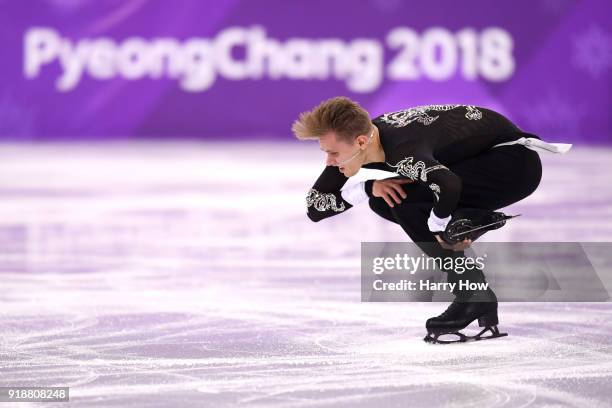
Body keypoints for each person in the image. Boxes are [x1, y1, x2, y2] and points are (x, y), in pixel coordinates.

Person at [292, 96, 571, 343]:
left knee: (407, 201)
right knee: (385, 199)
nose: (329, 161)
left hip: (513, 166)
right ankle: (467, 233)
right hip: (476, 160)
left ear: (361, 142)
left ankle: (472, 285)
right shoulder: (359, 141)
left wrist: (438, 226)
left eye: (333, 153)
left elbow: (448, 184)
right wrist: (367, 187)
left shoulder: (404, 152)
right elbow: (315, 207)